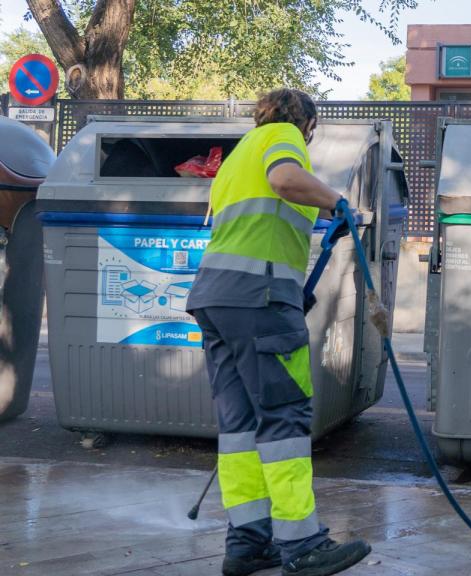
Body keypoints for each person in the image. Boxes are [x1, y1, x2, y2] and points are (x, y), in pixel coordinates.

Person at [187, 88, 371, 576]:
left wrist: (324, 218)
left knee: (240, 427)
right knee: (284, 418)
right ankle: (302, 544)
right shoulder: (283, 135)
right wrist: (337, 201)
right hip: (259, 300)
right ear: (307, 124)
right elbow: (285, 179)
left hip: (217, 299)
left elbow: (260, 222)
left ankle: (247, 544)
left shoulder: (236, 158)